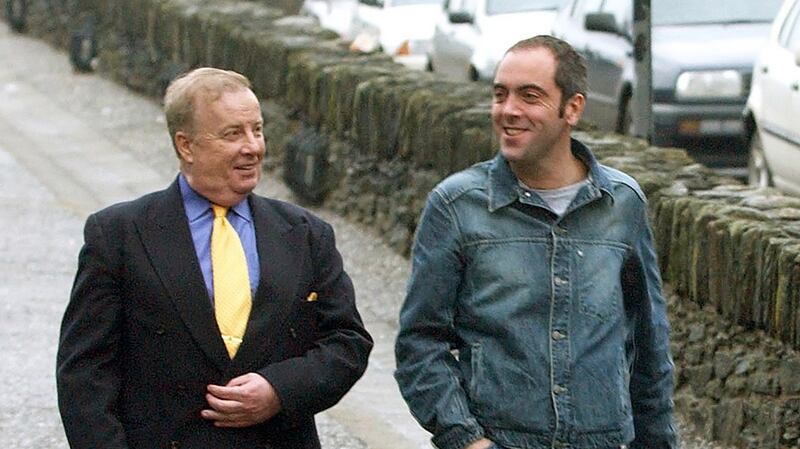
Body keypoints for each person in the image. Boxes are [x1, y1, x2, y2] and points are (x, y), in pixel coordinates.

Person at [56, 67, 373, 449]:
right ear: (186, 145)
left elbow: (348, 342)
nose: (253, 147)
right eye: (232, 133)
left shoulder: (306, 235)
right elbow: (85, 371)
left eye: (257, 130)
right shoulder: (119, 235)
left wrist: (279, 391)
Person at [394, 36, 678, 449]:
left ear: (573, 108)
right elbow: (420, 344)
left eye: (530, 96)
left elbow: (649, 347)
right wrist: (468, 440)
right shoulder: (457, 206)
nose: (509, 110)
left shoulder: (622, 203)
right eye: (500, 95)